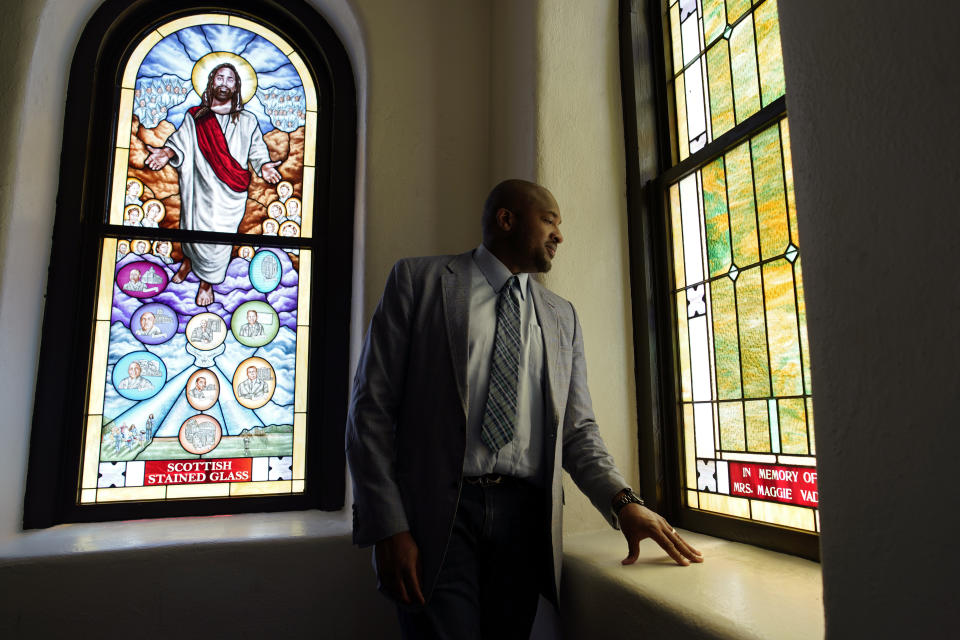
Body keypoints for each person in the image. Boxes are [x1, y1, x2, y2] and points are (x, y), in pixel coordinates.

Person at [346, 179, 702, 639]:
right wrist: (387, 526)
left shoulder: (561, 316)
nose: (560, 235)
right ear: (506, 219)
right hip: (437, 517)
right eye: (550, 219)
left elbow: (577, 432)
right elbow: (370, 412)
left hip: (524, 521)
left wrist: (624, 502)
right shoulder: (419, 282)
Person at [144, 62, 283, 306]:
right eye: (220, 77)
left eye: (230, 80)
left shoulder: (248, 121)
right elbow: (180, 142)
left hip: (231, 191)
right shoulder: (196, 117)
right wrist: (166, 153)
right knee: (193, 229)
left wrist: (264, 166)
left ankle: (206, 283)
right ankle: (188, 262)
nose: (224, 84)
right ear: (211, 82)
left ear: (237, 86)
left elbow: (257, 149)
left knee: (218, 240)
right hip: (199, 187)